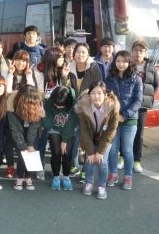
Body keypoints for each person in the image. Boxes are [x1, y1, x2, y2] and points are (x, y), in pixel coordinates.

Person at [105, 50, 143, 190]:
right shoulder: (109, 78)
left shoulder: (136, 78)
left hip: (129, 120)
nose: (121, 64)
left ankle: (128, 177)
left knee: (127, 149)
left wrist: (125, 115)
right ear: (115, 62)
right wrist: (113, 115)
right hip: (113, 119)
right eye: (118, 61)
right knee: (113, 149)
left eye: (124, 61)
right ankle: (113, 174)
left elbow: (138, 101)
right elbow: (106, 98)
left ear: (129, 62)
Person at [75, 81, 119, 199]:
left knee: (102, 161)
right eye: (93, 93)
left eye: (99, 93)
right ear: (89, 95)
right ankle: (89, 183)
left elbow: (111, 131)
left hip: (105, 139)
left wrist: (99, 152)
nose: (96, 96)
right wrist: (90, 151)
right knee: (89, 159)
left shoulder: (113, 108)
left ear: (106, 94)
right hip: (89, 138)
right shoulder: (83, 107)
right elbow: (84, 132)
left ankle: (101, 186)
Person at [34, 47, 72, 180]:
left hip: (59, 110)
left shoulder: (62, 71)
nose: (63, 59)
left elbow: (67, 92)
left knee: (58, 141)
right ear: (53, 58)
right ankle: (40, 166)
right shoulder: (38, 70)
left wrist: (65, 78)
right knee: (42, 139)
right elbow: (35, 92)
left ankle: (58, 168)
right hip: (43, 108)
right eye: (61, 57)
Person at [68, 42, 102, 183]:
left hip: (89, 110)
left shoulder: (94, 68)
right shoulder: (68, 67)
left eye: (83, 52)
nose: (80, 55)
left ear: (88, 54)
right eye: (78, 52)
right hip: (72, 109)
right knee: (73, 139)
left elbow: (99, 89)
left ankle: (86, 171)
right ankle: (74, 166)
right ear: (73, 53)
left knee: (87, 141)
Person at [1, 50, 38, 178]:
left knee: (24, 140)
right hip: (10, 111)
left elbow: (31, 93)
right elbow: (7, 93)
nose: (20, 63)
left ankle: (25, 171)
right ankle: (10, 166)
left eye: (24, 61)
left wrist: (28, 76)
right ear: (13, 60)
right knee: (9, 140)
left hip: (25, 112)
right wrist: (10, 75)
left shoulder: (30, 74)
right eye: (18, 60)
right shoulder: (6, 72)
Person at [129, 40, 159, 173]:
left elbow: (156, 85)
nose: (138, 53)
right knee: (125, 132)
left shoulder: (150, 67)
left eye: (141, 50)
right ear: (132, 51)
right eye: (136, 50)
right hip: (128, 105)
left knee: (139, 134)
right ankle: (123, 157)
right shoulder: (127, 65)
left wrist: (147, 97)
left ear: (145, 52)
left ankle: (137, 160)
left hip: (141, 106)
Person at [40, 86, 78, 190]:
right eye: (55, 104)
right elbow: (48, 126)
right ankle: (56, 177)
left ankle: (66, 177)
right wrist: (43, 116)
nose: (57, 106)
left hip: (70, 129)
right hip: (54, 128)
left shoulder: (75, 104)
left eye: (60, 106)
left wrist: (64, 140)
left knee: (67, 153)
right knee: (56, 153)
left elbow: (71, 124)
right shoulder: (49, 103)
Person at [8, 85, 43, 191]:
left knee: (32, 153)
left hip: (32, 132)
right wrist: (24, 147)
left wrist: (30, 145)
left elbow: (34, 127)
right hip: (18, 132)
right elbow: (15, 131)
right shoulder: (11, 108)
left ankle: (28, 177)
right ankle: (19, 177)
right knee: (22, 155)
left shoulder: (37, 104)